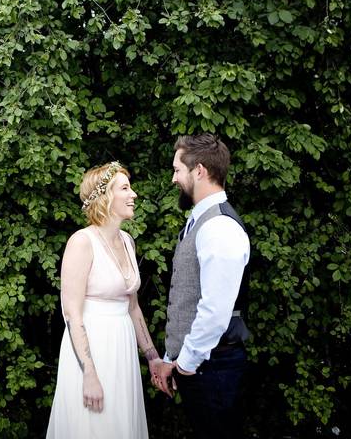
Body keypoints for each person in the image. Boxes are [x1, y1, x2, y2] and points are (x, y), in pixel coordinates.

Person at [47, 162, 162, 439]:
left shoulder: (127, 241)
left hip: (121, 349)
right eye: (125, 188)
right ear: (105, 197)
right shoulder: (82, 242)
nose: (133, 194)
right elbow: (72, 314)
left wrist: (153, 357)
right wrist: (88, 373)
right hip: (92, 352)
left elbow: (132, 307)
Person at [149, 134, 251, 439]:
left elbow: (214, 312)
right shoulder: (199, 221)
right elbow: (186, 299)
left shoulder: (220, 227)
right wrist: (171, 360)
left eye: (178, 170)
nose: (173, 179)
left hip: (213, 367)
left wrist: (187, 364)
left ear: (200, 171)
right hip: (202, 365)